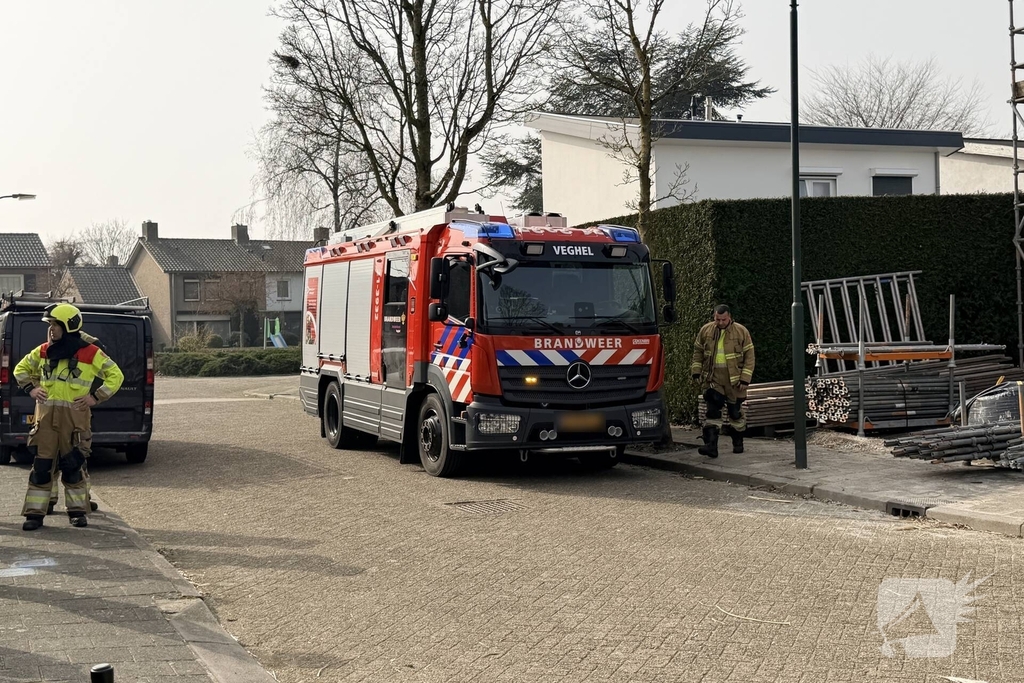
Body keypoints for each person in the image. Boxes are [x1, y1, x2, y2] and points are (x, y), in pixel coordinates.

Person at [14, 303, 124, 530]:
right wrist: (31, 389)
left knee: (73, 466)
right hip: (45, 421)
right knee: (42, 467)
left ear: (68, 326)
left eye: (55, 324)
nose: (51, 329)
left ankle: (76, 512)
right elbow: (20, 369)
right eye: (50, 325)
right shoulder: (44, 350)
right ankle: (35, 514)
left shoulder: (90, 352)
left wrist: (96, 397)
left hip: (74, 421)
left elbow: (115, 375)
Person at [690, 304, 755, 458]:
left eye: (723, 319)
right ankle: (711, 446)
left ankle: (738, 443)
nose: (720, 322)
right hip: (714, 378)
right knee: (712, 410)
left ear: (729, 317)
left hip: (735, 380)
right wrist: (696, 371)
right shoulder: (706, 330)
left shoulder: (741, 331)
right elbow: (698, 352)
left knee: (734, 413)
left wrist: (745, 379)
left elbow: (750, 357)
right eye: (717, 319)